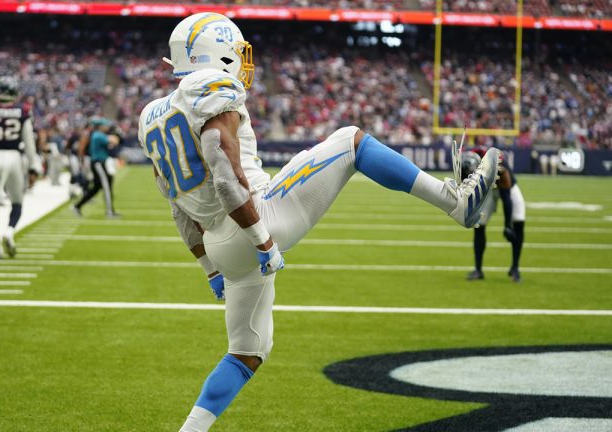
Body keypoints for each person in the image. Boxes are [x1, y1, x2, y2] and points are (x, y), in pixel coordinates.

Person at [137, 13, 501, 432]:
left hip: (221, 244)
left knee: (247, 351)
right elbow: (224, 175)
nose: (244, 62)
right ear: (215, 54)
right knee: (351, 141)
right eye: (237, 53)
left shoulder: (153, 116)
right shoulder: (212, 88)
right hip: (257, 218)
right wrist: (263, 242)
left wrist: (210, 268)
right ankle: (456, 202)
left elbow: (177, 206)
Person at [0, 76, 40, 259]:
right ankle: (10, 231)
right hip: (14, 157)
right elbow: (29, 143)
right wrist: (34, 168)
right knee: (17, 202)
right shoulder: (22, 111)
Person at [463, 150, 526, 282]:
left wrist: (507, 224)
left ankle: (515, 268)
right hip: (488, 190)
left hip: (508, 189)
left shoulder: (498, 167)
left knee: (518, 222)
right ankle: (478, 270)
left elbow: (506, 197)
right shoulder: (469, 160)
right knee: (478, 224)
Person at [72, 117, 120, 217]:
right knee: (106, 186)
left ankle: (77, 206)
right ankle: (110, 211)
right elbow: (114, 141)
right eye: (105, 125)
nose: (107, 127)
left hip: (98, 163)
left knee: (96, 188)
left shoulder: (96, 135)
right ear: (100, 126)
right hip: (99, 163)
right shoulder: (98, 135)